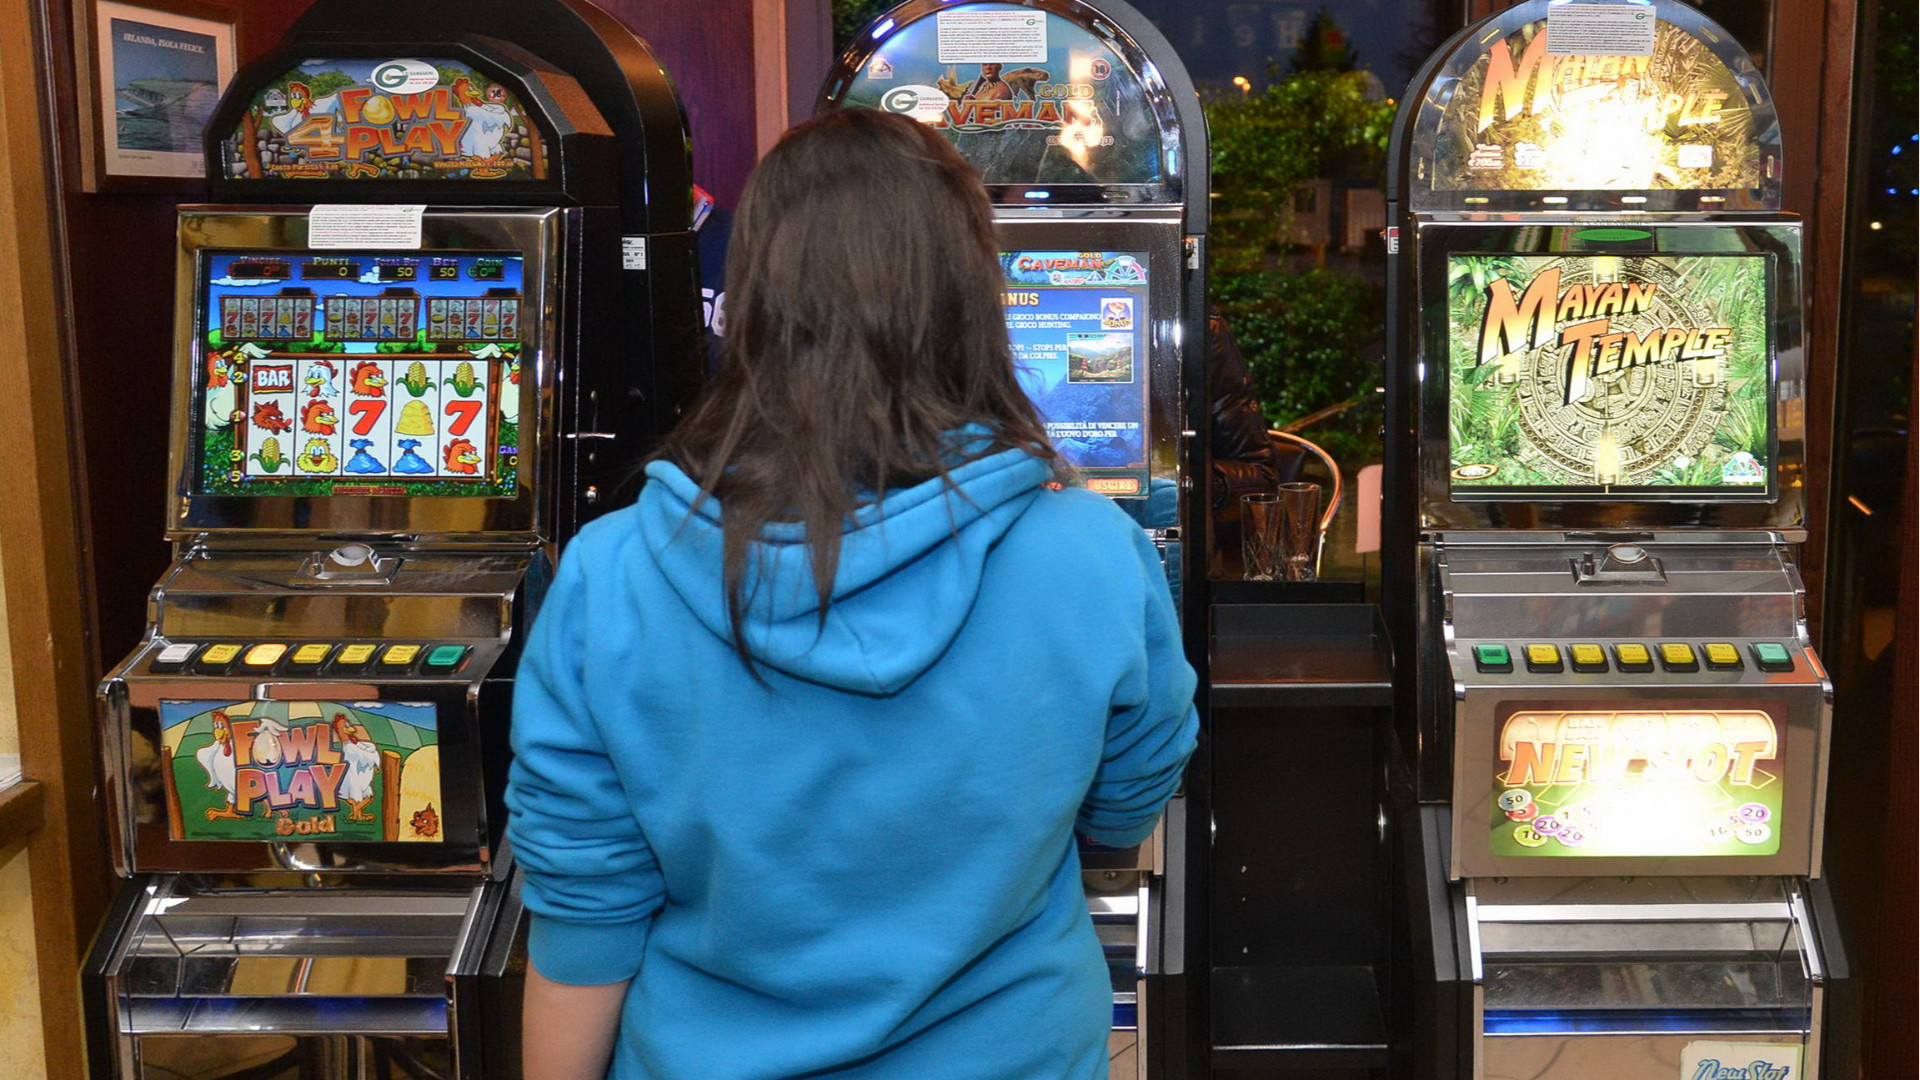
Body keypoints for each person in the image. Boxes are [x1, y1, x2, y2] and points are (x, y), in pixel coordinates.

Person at [507, 108, 1199, 1080]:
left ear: (754, 300)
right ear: (973, 300)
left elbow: (586, 927)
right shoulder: (1092, 552)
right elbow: (1123, 812)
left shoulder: (612, 573)